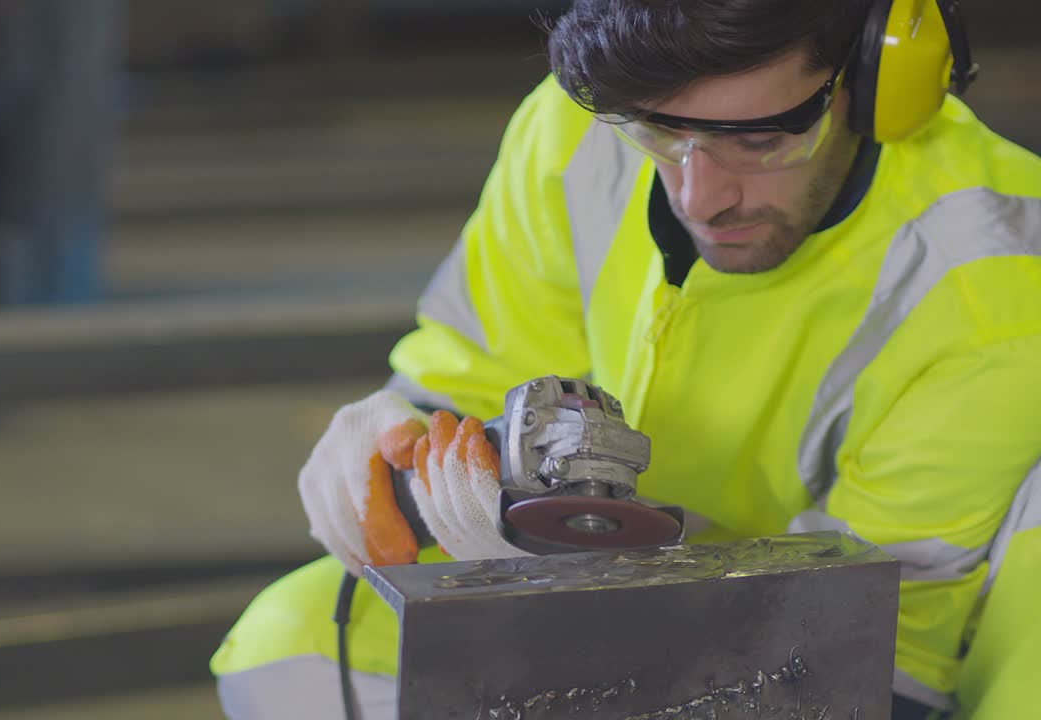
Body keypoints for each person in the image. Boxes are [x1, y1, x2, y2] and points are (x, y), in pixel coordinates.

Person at [211, 1, 1041, 718]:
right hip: (598, 592)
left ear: (877, 79)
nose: (699, 195)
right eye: (660, 131)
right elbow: (467, 376)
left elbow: (872, 662)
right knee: (293, 648)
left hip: (805, 660)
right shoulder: (578, 130)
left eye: (758, 139)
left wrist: (584, 616)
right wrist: (408, 436)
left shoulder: (989, 281)